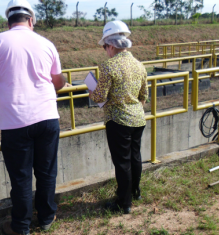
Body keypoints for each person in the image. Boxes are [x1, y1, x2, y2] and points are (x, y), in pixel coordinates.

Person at [0, 0, 66, 234]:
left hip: (15, 122)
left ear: (8, 21)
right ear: (31, 20)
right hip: (47, 118)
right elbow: (59, 82)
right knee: (46, 171)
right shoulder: (46, 43)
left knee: (21, 177)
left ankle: (20, 226)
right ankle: (46, 218)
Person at [89, 20, 148, 214]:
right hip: (138, 119)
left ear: (112, 45)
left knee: (122, 162)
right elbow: (143, 96)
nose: (105, 50)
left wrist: (91, 90)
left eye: (105, 46)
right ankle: (135, 192)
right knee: (135, 157)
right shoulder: (140, 65)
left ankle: (124, 202)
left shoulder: (108, 66)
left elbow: (100, 96)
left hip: (118, 120)